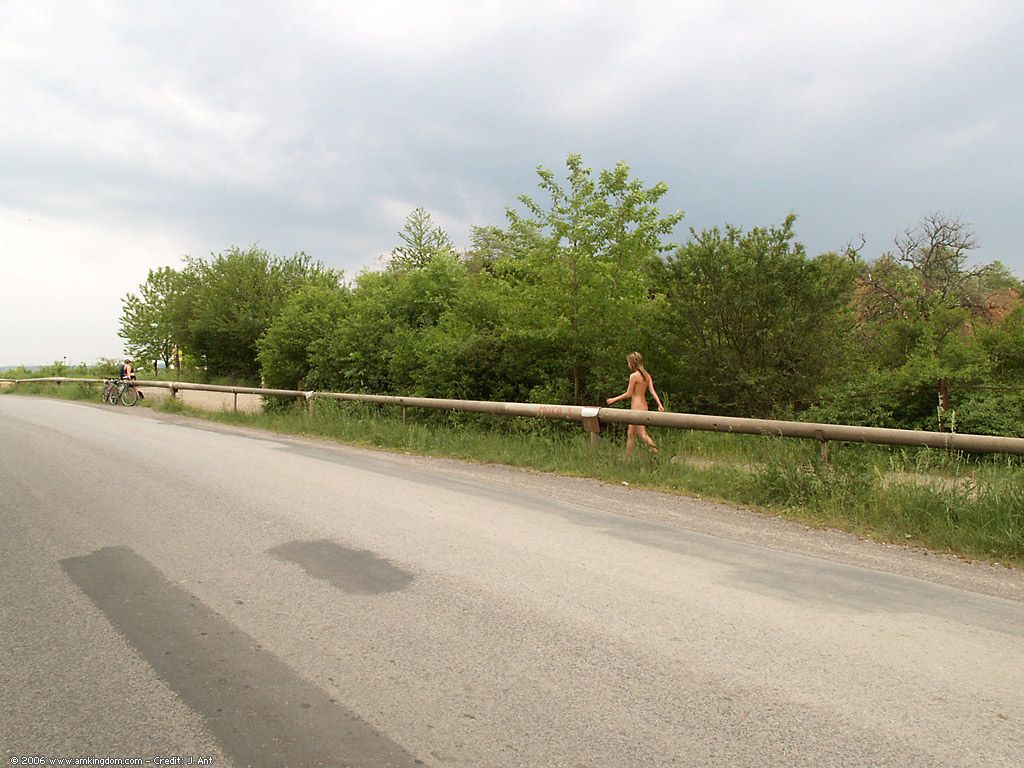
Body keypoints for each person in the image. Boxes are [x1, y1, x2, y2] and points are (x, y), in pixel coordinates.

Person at [606, 351, 664, 457]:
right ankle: (626, 458)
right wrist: (659, 404)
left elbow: (628, 394)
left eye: (628, 363)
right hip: (644, 406)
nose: (628, 365)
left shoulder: (633, 376)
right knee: (630, 433)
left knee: (642, 434)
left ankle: (659, 454)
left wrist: (614, 399)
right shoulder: (647, 376)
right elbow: (652, 391)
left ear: (633, 363)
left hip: (637, 407)